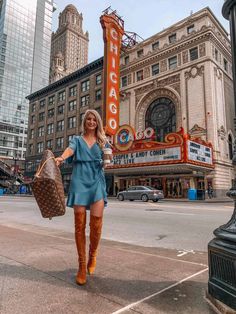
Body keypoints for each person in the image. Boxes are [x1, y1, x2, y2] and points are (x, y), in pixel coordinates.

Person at [55, 109, 111, 285]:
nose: (91, 122)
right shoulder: (77, 140)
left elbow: (107, 160)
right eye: (89, 119)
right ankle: (81, 266)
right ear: (85, 122)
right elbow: (70, 150)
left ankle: (93, 255)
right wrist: (61, 158)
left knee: (96, 224)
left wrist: (108, 159)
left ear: (98, 122)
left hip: (96, 181)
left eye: (94, 119)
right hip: (79, 180)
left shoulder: (103, 141)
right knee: (79, 226)